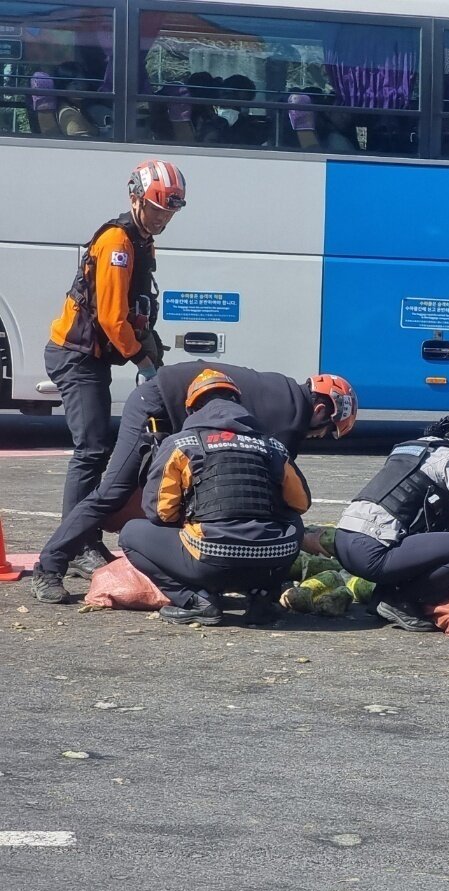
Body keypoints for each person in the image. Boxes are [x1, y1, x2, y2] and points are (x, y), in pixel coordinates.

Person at [31, 363, 356, 603]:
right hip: (156, 402)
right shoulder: (288, 423)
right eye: (327, 430)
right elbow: (279, 499)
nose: (319, 437)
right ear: (320, 409)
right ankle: (50, 566)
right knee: (112, 492)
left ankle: (194, 561)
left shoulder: (287, 398)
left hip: (185, 411)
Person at [42, 160, 184, 582]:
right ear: (136, 199)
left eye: (169, 212)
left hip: (93, 356)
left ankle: (82, 538)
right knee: (90, 450)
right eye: (158, 209)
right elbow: (110, 317)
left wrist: (150, 347)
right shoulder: (118, 242)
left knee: (97, 449)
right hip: (75, 354)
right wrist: (141, 359)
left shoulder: (143, 241)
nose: (163, 218)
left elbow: (135, 308)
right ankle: (76, 546)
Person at [119, 370, 312, 626]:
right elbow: (301, 503)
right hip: (270, 561)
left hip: (210, 561)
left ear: (192, 409)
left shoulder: (182, 444)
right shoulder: (272, 446)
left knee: (131, 533)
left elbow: (160, 512)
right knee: (293, 524)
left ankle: (195, 601)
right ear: (238, 404)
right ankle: (263, 600)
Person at [335, 409, 449, 633]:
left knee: (440, 528)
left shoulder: (410, 448)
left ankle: (384, 596)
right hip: (372, 551)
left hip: (344, 540)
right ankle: (403, 601)